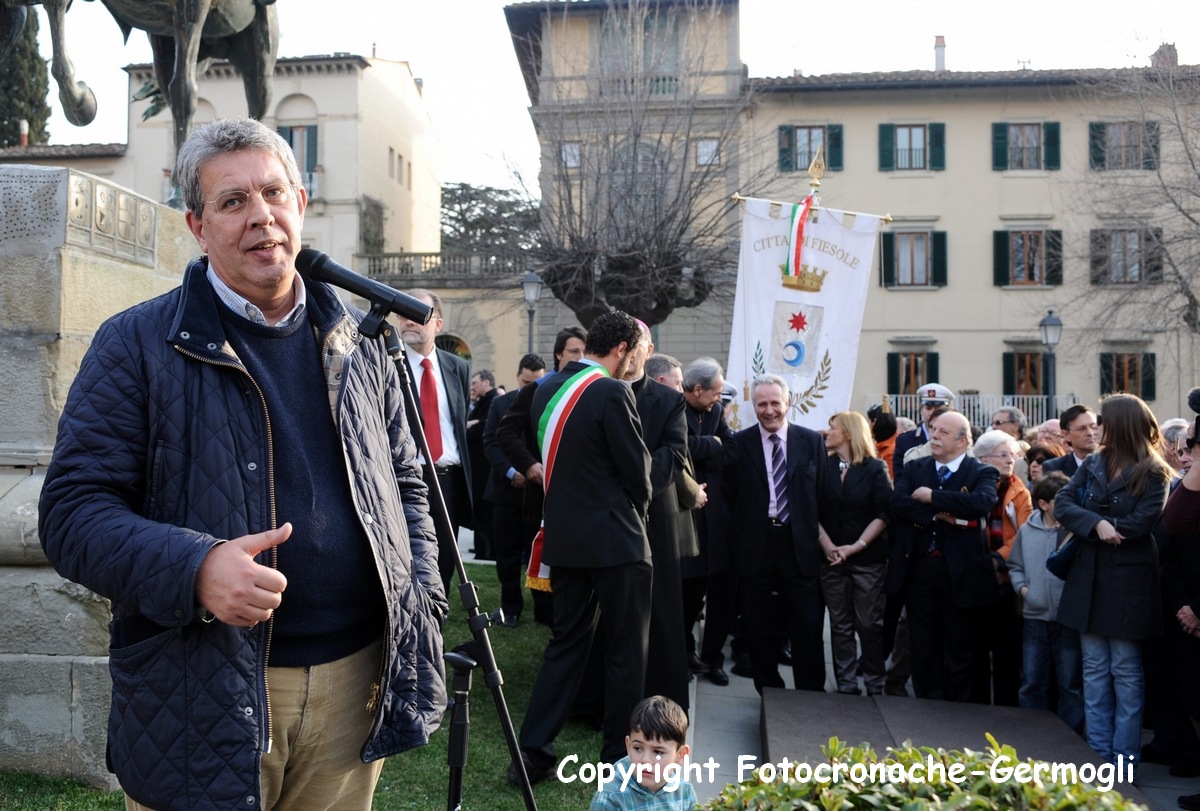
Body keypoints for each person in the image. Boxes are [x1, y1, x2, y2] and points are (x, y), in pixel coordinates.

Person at [37, 117, 447, 811]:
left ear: (301, 205)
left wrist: (422, 601)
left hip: (354, 686)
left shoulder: (358, 339)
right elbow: (73, 513)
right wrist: (195, 568)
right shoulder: (136, 344)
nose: (260, 216)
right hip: (204, 692)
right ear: (197, 226)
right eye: (232, 202)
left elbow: (406, 482)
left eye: (273, 193)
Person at [509, 311, 652, 783]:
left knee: (565, 647)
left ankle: (531, 753)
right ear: (622, 350)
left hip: (566, 541)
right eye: (635, 355)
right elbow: (638, 473)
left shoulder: (546, 388)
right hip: (617, 542)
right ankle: (617, 756)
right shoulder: (612, 390)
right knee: (625, 651)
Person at [1055, 393, 1171, 769]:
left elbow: (1142, 523)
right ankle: (1098, 754)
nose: (1096, 428)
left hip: (1129, 583)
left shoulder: (1154, 471)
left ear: (1120, 424)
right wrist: (1098, 524)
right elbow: (1063, 503)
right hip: (1088, 577)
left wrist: (1106, 526)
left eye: (1102, 420)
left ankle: (1123, 760)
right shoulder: (1093, 462)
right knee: (1093, 669)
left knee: (1125, 671)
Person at [889, 411, 1001, 701]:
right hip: (920, 570)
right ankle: (929, 703)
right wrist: (940, 515)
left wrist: (932, 497)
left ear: (963, 441)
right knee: (923, 644)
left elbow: (981, 503)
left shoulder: (981, 472)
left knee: (960, 644)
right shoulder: (915, 468)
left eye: (943, 433)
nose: (934, 436)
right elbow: (898, 503)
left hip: (961, 574)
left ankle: (959, 709)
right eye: (933, 430)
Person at [726, 374, 827, 693]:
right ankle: (769, 690)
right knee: (758, 625)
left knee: (808, 624)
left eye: (775, 403)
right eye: (762, 404)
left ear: (788, 403)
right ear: (753, 406)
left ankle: (811, 692)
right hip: (757, 547)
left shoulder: (811, 442)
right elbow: (730, 498)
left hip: (800, 547)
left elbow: (823, 495)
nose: (769, 410)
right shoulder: (739, 444)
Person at [624, 327, 690, 713]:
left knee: (661, 608)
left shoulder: (669, 399)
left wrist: (637, 488)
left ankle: (662, 697)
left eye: (639, 347)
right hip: (612, 515)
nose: (632, 354)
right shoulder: (598, 391)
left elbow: (673, 452)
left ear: (649, 351)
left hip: (655, 514)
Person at [398, 289, 473, 591]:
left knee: (444, 564)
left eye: (418, 315)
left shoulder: (458, 368)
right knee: (406, 560)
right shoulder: (386, 365)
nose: (409, 322)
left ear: (437, 325)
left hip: (449, 482)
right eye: (403, 314)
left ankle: (434, 629)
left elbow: (457, 424)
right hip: (406, 479)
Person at [817, 411, 892, 695]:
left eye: (832, 427)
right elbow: (811, 509)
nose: (828, 432)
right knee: (840, 625)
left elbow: (883, 513)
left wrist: (856, 546)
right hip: (832, 559)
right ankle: (846, 684)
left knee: (869, 624)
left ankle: (875, 683)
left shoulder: (874, 468)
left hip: (867, 560)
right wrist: (828, 546)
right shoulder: (824, 465)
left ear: (848, 432)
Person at [1008, 472, 1084, 733]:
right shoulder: (1027, 531)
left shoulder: (1076, 531)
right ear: (1044, 504)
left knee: (1070, 684)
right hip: (1035, 616)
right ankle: (1032, 735)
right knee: (1032, 681)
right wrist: (1024, 590)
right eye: (1060, 501)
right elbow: (1015, 565)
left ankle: (1069, 737)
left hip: (1068, 618)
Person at [679, 357, 739, 686]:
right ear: (697, 389)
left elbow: (731, 449)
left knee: (712, 590)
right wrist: (710, 445)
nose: (720, 400)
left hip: (714, 519)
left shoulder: (714, 411)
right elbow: (679, 449)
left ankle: (711, 658)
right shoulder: (674, 409)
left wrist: (706, 450)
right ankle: (683, 653)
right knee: (685, 593)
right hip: (685, 517)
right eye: (715, 393)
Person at [482, 354, 546, 627]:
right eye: (526, 381)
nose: (531, 386)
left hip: (537, 491)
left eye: (536, 382)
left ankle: (544, 610)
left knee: (538, 552)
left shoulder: (549, 404)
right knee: (506, 555)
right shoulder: (499, 404)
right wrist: (513, 471)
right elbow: (491, 442)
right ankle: (511, 609)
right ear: (518, 377)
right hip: (506, 491)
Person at [971, 429, 1033, 706]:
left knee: (1007, 648)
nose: (1011, 460)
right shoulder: (972, 484)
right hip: (975, 572)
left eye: (1014, 454)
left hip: (1006, 576)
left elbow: (1024, 531)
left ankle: (1008, 706)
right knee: (977, 647)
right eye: (1003, 454)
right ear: (983, 458)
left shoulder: (1020, 490)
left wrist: (998, 558)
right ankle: (978, 703)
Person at [588, 696, 697, 811]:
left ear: (681, 755)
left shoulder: (685, 794)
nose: (645, 760)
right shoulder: (610, 797)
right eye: (638, 748)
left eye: (658, 752)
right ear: (628, 746)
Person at [467, 369, 498, 559]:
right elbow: (470, 424)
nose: (473, 387)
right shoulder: (482, 402)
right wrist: (471, 424)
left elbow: (481, 428)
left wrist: (471, 425)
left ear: (486, 383)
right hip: (477, 465)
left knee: (485, 510)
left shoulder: (493, 400)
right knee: (478, 510)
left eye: (475, 383)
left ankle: (487, 550)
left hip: (484, 466)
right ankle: (481, 549)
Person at [894, 383, 955, 463]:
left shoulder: (956, 439)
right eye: (928, 408)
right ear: (921, 410)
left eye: (937, 409)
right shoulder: (904, 440)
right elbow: (900, 474)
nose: (932, 413)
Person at [1042, 404, 1099, 479]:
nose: (1090, 433)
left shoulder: (1113, 464)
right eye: (1081, 429)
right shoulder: (1054, 467)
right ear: (1066, 435)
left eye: (1093, 427)